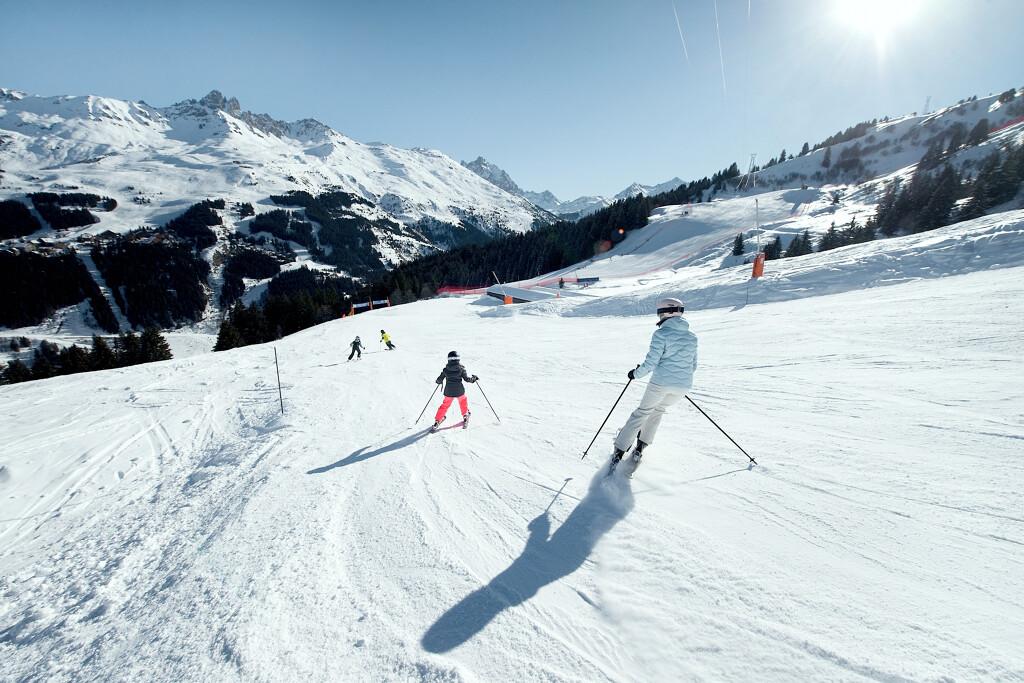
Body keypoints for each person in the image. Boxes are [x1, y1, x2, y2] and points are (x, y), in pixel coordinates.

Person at [611, 297, 697, 475]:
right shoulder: (692, 337)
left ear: (666, 312)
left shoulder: (662, 334)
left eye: (659, 312)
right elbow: (693, 365)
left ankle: (618, 452)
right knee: (657, 412)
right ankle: (640, 448)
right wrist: (678, 379)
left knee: (642, 413)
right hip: (683, 386)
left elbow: (651, 363)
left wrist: (635, 374)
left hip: (661, 383)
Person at [432, 351, 478, 432]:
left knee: (444, 405)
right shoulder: (461, 369)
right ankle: (465, 415)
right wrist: (474, 379)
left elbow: (439, 380)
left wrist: (439, 381)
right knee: (463, 402)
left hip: (449, 392)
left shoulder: (446, 370)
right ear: (458, 360)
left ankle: (437, 420)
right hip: (459, 391)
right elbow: (467, 379)